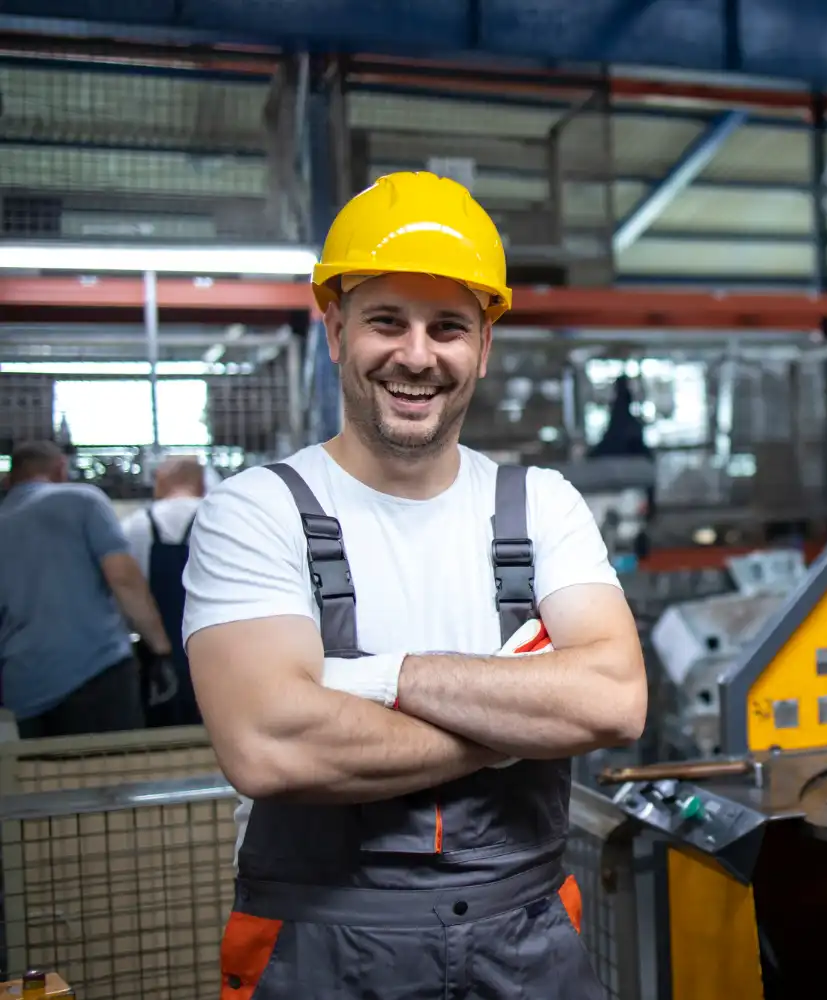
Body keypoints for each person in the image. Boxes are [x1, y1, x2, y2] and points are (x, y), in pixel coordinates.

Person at [183, 171, 646, 1000]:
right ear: (334, 330)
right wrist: (516, 727)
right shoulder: (257, 512)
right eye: (386, 321)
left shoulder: (540, 506)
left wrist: (378, 679)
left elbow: (612, 701)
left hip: (530, 942)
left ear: (484, 346)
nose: (417, 356)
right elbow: (270, 744)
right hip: (323, 947)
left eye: (449, 328)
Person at [0, 440, 173, 738]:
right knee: (113, 775)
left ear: (10, 478)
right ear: (60, 469)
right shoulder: (82, 500)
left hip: (22, 687)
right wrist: (161, 649)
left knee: (43, 780)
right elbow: (123, 579)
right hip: (96, 674)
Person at [121, 455, 208, 728]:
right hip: (216, 652)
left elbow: (125, 593)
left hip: (156, 657)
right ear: (201, 482)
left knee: (161, 740)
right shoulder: (224, 519)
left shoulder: (133, 526)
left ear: (160, 481)